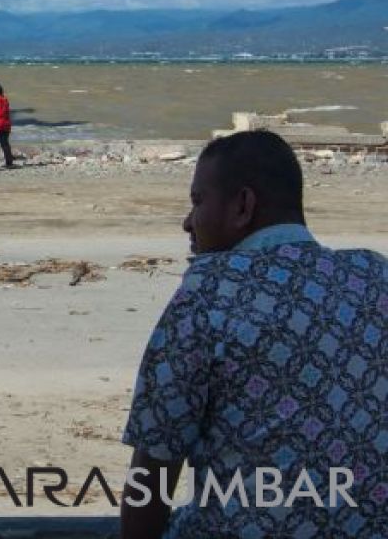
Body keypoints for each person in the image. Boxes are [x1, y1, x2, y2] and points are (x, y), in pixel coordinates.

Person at [120, 131, 387, 539]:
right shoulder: (375, 277)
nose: (188, 221)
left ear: (243, 205)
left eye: (197, 202)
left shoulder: (208, 294)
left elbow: (154, 469)